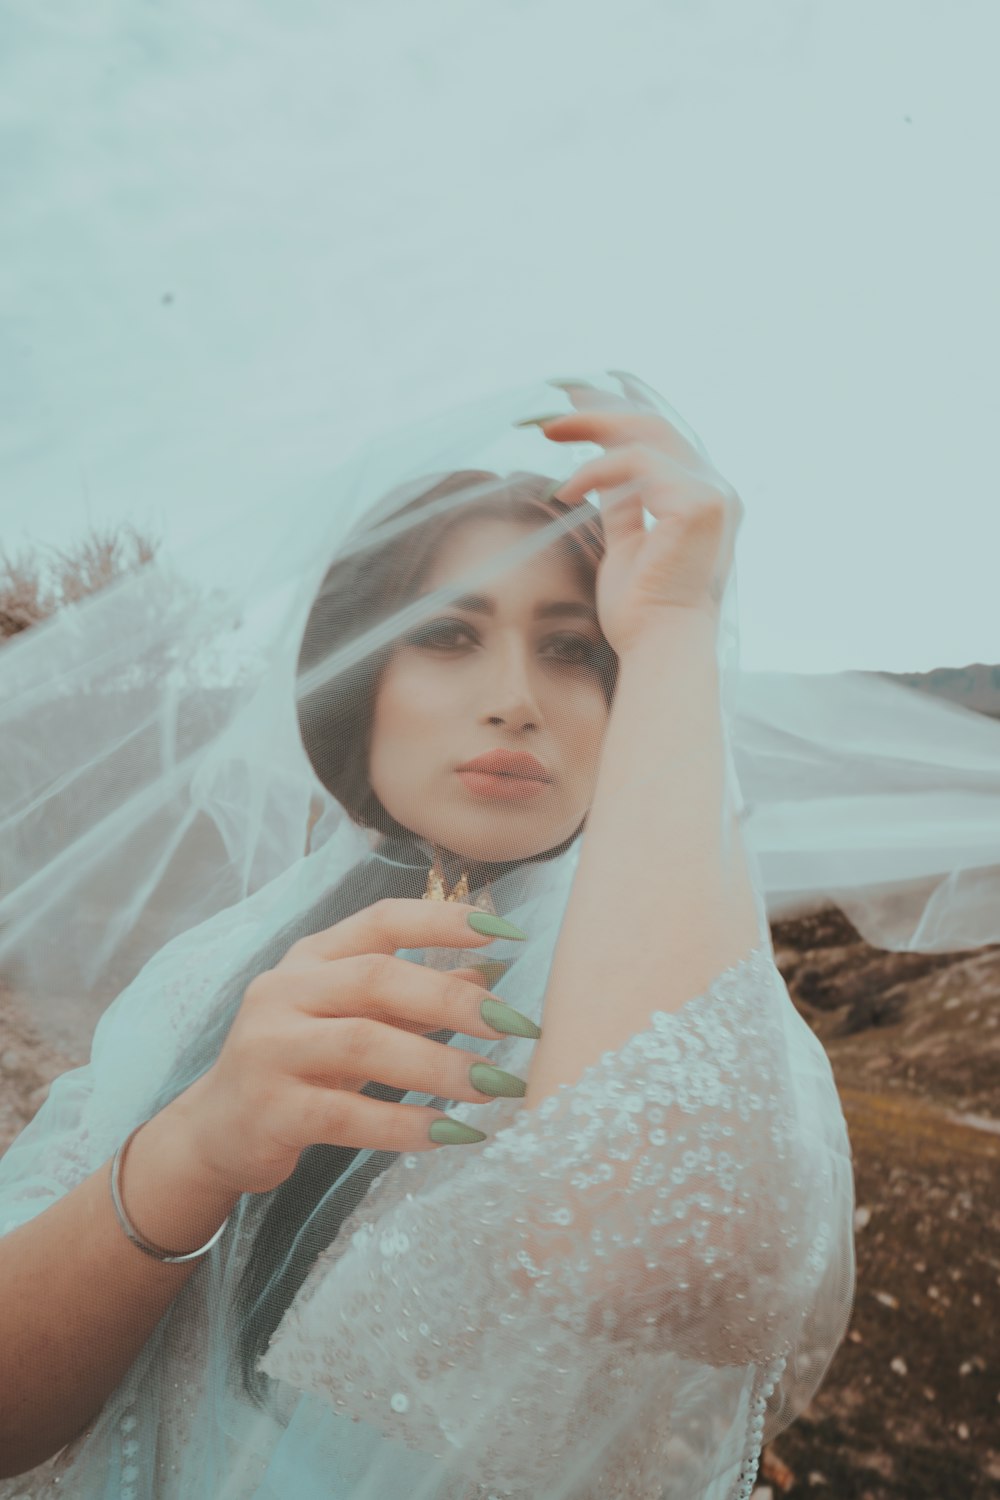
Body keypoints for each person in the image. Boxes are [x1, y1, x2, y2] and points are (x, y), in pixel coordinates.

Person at [0, 371, 994, 1498]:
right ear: (357, 677)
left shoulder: (674, 991)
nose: (516, 696)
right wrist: (196, 1148)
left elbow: (650, 1250)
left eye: (575, 649)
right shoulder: (201, 978)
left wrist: (672, 624)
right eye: (447, 633)